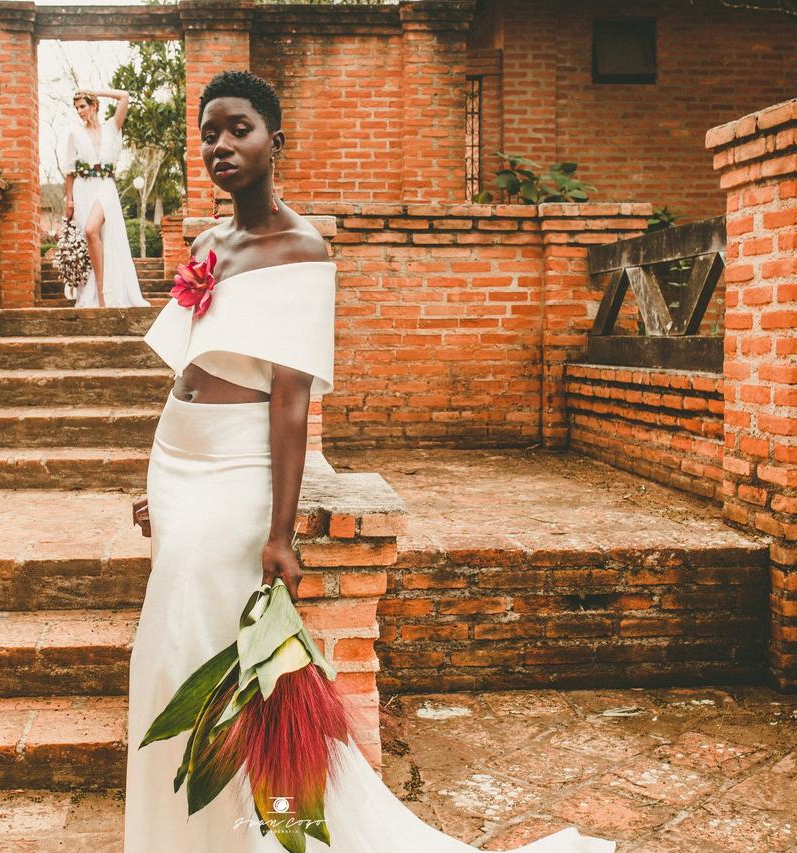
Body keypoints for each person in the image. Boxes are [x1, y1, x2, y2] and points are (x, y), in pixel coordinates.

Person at [125, 69, 614, 853]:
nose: (220, 145)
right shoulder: (209, 244)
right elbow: (190, 364)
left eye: (238, 128)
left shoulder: (302, 248)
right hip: (177, 467)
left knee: (222, 664)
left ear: (275, 141)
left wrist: (281, 533)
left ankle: (269, 836)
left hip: (236, 477)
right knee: (172, 652)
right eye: (209, 131)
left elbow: (289, 399)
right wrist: (160, 482)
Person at [61, 88, 150, 308]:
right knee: (91, 236)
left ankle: (104, 293)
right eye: (77, 108)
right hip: (83, 188)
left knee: (92, 229)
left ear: (94, 105)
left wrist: (96, 91)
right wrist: (69, 200)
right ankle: (96, 292)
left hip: (105, 186)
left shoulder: (112, 127)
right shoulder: (75, 133)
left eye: (83, 106)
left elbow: (125, 96)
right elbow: (70, 170)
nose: (80, 111)